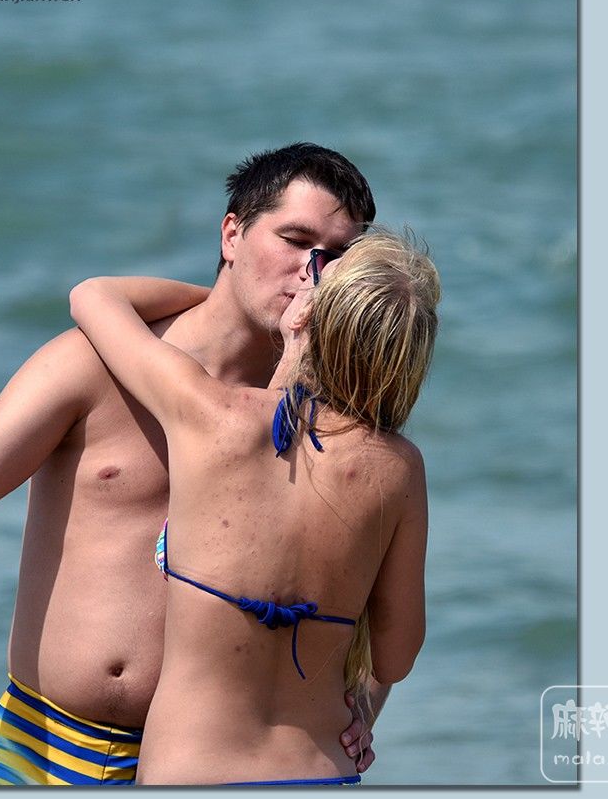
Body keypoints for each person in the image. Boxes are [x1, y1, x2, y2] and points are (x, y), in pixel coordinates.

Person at [0, 143, 381, 785]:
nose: (313, 270)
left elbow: (369, 598)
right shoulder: (97, 363)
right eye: (295, 240)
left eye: (338, 256)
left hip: (209, 765)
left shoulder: (329, 417)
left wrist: (362, 705)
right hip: (41, 748)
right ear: (232, 233)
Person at [68, 228, 439, 785]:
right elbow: (395, 658)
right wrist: (358, 708)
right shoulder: (399, 469)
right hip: (319, 771)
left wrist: (234, 300)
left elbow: (93, 296)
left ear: (308, 315)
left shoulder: (209, 413)